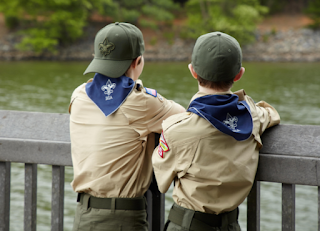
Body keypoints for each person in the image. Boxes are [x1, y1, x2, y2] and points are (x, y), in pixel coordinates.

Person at [152, 32, 280, 231]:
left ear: (193, 71)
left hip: (188, 225)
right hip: (231, 225)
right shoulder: (253, 117)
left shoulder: (177, 129)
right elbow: (272, 114)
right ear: (239, 74)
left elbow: (161, 182)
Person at [69, 22, 185, 231]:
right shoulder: (141, 102)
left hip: (83, 216)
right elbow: (185, 119)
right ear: (138, 61)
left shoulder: (78, 95)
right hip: (122, 220)